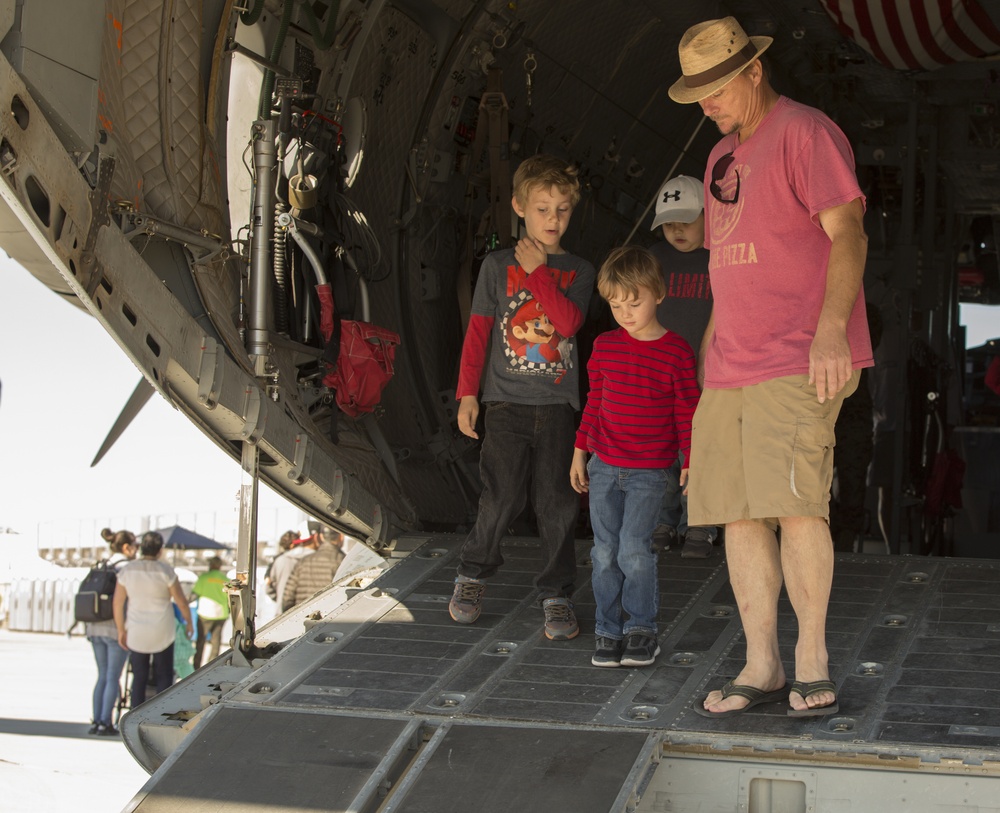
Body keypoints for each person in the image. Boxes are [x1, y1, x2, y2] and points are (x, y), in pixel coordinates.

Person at [669, 16, 873, 718]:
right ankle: (762, 662)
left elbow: (849, 232)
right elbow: (729, 272)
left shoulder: (805, 132)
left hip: (799, 354)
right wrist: (707, 377)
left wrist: (829, 334)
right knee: (738, 515)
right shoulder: (720, 158)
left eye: (716, 88)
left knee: (795, 503)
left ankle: (811, 658)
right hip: (730, 366)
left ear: (753, 71)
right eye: (697, 93)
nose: (707, 105)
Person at [450, 153, 596, 641]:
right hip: (506, 404)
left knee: (557, 503)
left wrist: (538, 272)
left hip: (557, 408)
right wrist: (467, 394)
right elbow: (478, 335)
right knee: (501, 496)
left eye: (562, 210)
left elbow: (569, 324)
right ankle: (472, 574)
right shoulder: (495, 267)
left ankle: (556, 593)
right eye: (541, 209)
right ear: (518, 207)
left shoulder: (578, 270)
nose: (552, 220)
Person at [571, 246, 699, 667]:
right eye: (615, 304)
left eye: (635, 301)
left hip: (648, 472)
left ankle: (641, 629)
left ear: (659, 293)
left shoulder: (677, 351)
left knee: (633, 550)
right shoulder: (605, 347)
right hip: (603, 465)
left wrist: (690, 459)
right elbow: (595, 403)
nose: (625, 312)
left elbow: (686, 411)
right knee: (603, 551)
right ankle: (608, 631)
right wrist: (579, 452)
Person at [648, 174, 718, 559]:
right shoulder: (654, 259)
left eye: (686, 220)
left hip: (707, 374)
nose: (676, 229)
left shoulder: (722, 255)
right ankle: (664, 520)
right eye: (668, 222)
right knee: (663, 450)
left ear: (709, 215)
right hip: (661, 374)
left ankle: (701, 523)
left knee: (702, 450)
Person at [114, 531, 194, 708]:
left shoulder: (127, 570)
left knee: (139, 677)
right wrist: (189, 622)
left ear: (141, 548)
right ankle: (160, 713)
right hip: (162, 630)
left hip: (136, 630)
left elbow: (118, 604)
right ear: (160, 550)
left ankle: (135, 714)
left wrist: (121, 629)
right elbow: (181, 601)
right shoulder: (165, 570)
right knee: (164, 675)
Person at [85, 527, 137, 735]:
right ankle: (106, 723)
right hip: (116, 629)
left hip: (94, 626)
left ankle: (97, 720)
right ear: (127, 547)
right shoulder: (126, 568)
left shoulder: (102, 564)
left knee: (102, 675)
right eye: (135, 546)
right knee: (113, 676)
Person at [282, 526, 346, 611]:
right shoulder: (343, 561)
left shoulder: (303, 561)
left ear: (321, 537)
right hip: (330, 617)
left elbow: (287, 597)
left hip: (301, 618)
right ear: (341, 537)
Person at [191, 556, 230, 668]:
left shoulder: (204, 578)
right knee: (216, 641)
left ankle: (196, 666)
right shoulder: (225, 579)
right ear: (219, 566)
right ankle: (212, 666)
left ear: (211, 565)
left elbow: (194, 594)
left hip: (205, 613)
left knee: (201, 641)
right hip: (220, 614)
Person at [268, 527, 317, 611]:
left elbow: (269, 587)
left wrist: (280, 599)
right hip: (307, 611)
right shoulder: (314, 559)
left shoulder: (278, 560)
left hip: (282, 612)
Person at [264, 529, 299, 601]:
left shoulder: (276, 560)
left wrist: (279, 599)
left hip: (282, 604)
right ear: (292, 545)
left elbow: (268, 582)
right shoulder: (300, 559)